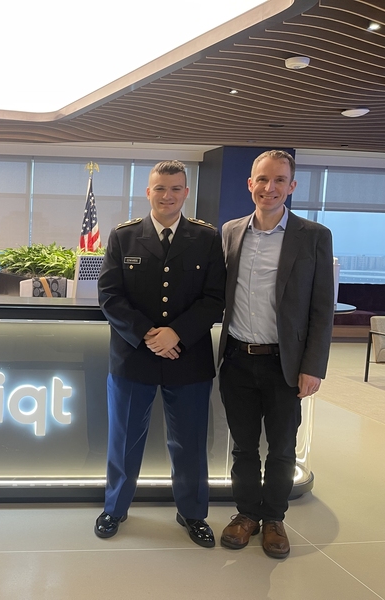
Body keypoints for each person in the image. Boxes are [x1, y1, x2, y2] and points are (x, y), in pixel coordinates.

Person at [95, 160, 226, 546]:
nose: (167, 196)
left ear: (186, 192)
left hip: (188, 357)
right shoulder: (124, 236)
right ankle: (115, 508)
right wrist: (149, 335)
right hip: (134, 356)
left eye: (175, 189)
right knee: (123, 440)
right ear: (148, 192)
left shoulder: (206, 237)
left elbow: (214, 298)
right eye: (159, 188)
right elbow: (110, 296)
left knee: (188, 442)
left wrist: (177, 334)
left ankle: (192, 513)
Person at [218, 150, 334, 559]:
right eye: (262, 180)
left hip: (284, 363)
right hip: (236, 358)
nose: (270, 188)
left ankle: (274, 519)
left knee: (282, 447)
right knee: (244, 447)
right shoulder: (231, 231)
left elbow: (322, 308)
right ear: (249, 184)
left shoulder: (314, 236)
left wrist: (313, 367)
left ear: (292, 186)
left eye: (279, 180)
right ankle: (246, 514)